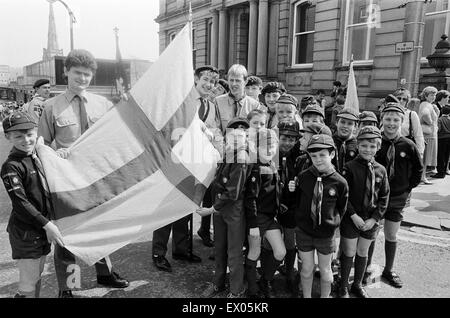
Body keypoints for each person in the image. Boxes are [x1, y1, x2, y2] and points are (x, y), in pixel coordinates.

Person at [38, 49, 129, 297]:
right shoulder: (50, 107)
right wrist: (55, 155)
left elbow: (114, 139)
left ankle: (104, 274)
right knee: (68, 235)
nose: (82, 79)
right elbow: (42, 146)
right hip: (67, 182)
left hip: (97, 178)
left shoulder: (104, 104)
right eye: (77, 73)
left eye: (87, 74)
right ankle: (70, 284)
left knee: (100, 228)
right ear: (66, 72)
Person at [1, 111, 65, 298]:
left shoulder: (38, 155)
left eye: (30, 134)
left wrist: (59, 154)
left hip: (42, 227)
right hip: (27, 231)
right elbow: (21, 203)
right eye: (18, 136)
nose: (26, 140)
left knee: (37, 276)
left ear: (36, 133)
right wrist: (47, 225)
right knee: (28, 281)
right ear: (8, 137)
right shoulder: (12, 165)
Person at [198, 118, 252, 298]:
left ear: (246, 138)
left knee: (234, 252)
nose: (235, 140)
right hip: (220, 208)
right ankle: (218, 283)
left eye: (240, 136)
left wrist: (211, 209)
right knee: (219, 248)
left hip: (232, 209)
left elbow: (233, 192)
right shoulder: (229, 154)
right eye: (232, 136)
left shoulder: (242, 157)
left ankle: (236, 290)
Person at [289, 134, 348, 298]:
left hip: (326, 234)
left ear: (332, 154)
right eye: (313, 156)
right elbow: (297, 202)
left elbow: (341, 208)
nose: (318, 159)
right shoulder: (303, 177)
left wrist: (332, 225)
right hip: (304, 232)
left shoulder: (340, 182)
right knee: (307, 269)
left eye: (322, 155)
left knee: (325, 270)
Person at [374, 103, 423, 288]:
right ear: (382, 120)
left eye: (396, 120)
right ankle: (367, 268)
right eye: (388, 119)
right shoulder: (376, 142)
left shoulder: (408, 145)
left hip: (396, 198)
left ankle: (389, 269)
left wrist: (407, 189)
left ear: (401, 122)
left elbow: (418, 169)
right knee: (371, 234)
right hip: (376, 198)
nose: (391, 123)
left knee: (391, 235)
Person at [338, 126, 390, 298]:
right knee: (349, 252)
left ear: (378, 147)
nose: (368, 149)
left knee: (363, 252)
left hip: (370, 220)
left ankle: (357, 285)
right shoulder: (349, 167)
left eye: (372, 146)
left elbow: (384, 196)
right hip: (351, 217)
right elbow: (344, 196)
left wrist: (374, 219)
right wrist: (353, 216)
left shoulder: (381, 170)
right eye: (364, 145)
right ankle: (343, 286)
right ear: (358, 146)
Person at [194, 65, 222, 249]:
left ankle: (184, 246)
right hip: (182, 158)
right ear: (196, 79)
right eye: (205, 80)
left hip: (205, 159)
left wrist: (220, 154)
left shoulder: (211, 106)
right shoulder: (186, 100)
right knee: (176, 202)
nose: (209, 84)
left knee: (204, 198)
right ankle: (160, 251)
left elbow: (216, 130)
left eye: (212, 82)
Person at [276, 120, 301, 297]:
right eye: (284, 137)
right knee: (270, 243)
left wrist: (289, 204)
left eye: (292, 139)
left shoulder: (299, 158)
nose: (288, 142)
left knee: (291, 242)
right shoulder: (269, 154)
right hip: (272, 206)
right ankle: (267, 275)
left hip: (290, 208)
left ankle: (290, 272)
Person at [215, 64, 265, 133]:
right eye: (231, 80)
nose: (234, 84)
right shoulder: (217, 102)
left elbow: (257, 131)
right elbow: (215, 129)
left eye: (238, 81)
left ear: (245, 81)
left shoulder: (255, 105)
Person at [392, 88, 425, 158]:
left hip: (405, 148)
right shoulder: (388, 113)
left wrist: (420, 153)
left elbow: (418, 134)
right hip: (391, 147)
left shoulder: (411, 114)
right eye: (399, 98)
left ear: (407, 101)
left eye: (404, 99)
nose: (401, 101)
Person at [418, 86, 439, 184]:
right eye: (431, 95)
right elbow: (425, 114)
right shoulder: (426, 104)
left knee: (425, 156)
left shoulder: (426, 104)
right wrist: (430, 122)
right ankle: (422, 177)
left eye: (434, 95)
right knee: (425, 156)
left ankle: (422, 176)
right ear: (426, 96)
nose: (433, 97)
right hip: (428, 135)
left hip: (428, 134)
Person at [332, 108, 359, 173]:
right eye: (342, 122)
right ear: (336, 122)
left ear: (355, 127)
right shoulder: (329, 142)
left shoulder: (358, 146)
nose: (345, 126)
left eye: (350, 123)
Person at [432, 105, 450, 178]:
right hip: (449, 138)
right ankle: (445, 170)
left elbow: (438, 129)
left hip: (441, 139)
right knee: (447, 156)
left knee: (440, 156)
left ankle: (440, 173)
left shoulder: (440, 119)